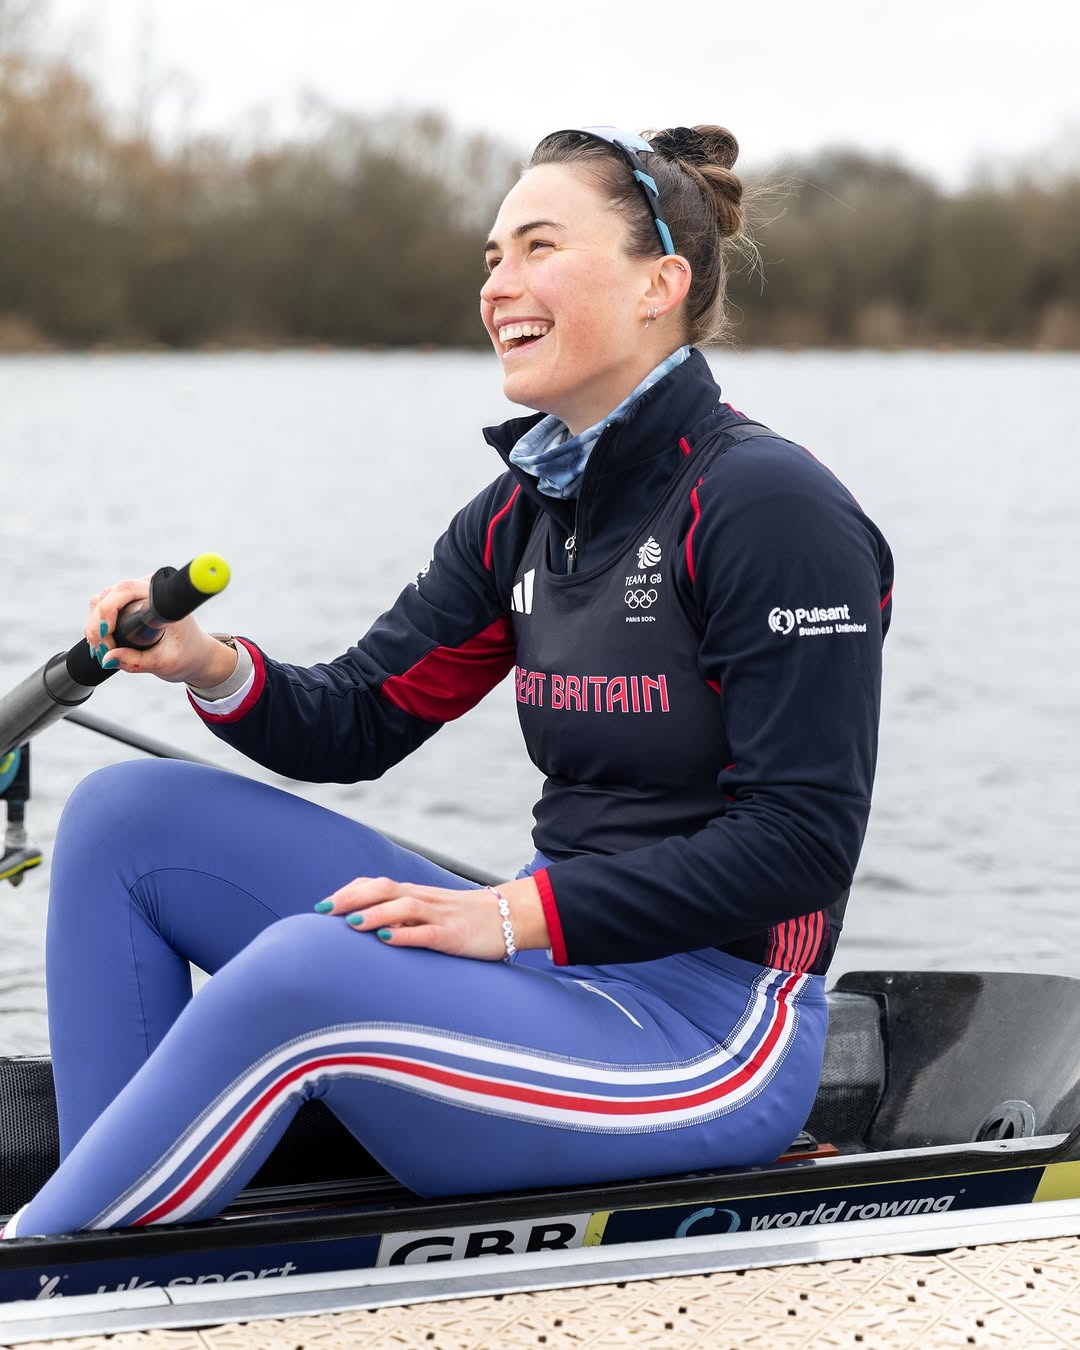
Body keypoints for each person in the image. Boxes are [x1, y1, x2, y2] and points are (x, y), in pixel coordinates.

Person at [3, 124, 893, 1239]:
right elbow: (360, 718)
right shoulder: (526, 509)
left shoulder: (771, 508)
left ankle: (46, 1262)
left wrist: (512, 916)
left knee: (308, 965)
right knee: (125, 818)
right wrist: (208, 664)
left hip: (706, 1039)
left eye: (538, 247)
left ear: (659, 284)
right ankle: (105, 1211)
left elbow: (802, 844)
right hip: (545, 967)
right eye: (491, 256)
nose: (497, 285)